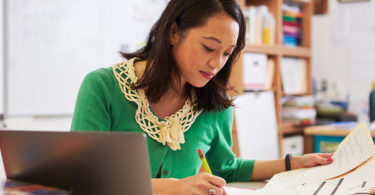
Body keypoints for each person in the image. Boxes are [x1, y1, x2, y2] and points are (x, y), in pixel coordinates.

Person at [71, 0, 333, 194]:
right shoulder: (102, 88)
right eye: (209, 47)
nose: (216, 63)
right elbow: (85, 178)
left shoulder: (214, 105)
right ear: (173, 32)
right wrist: (174, 187)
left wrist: (293, 163)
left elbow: (225, 168)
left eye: (227, 53)